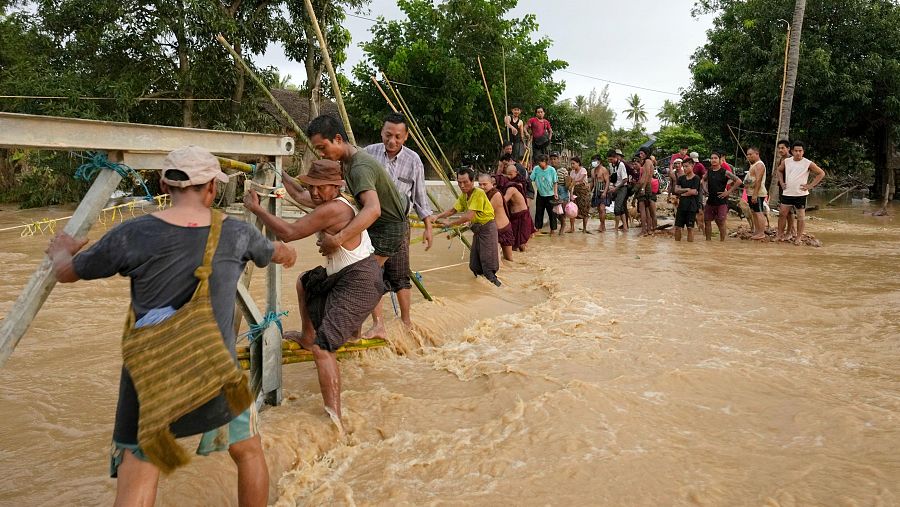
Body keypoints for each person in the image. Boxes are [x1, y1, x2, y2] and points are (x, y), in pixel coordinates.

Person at [47, 146, 297, 507]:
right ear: (212, 189)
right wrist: (286, 253)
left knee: (140, 472)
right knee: (248, 452)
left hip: (151, 378)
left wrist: (62, 248)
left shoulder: (132, 234)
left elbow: (66, 272)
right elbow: (275, 252)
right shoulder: (237, 233)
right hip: (217, 373)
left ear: (165, 185)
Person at [244, 159, 383, 421]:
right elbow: (298, 193)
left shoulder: (333, 209)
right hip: (344, 276)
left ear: (336, 186)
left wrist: (256, 208)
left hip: (359, 281)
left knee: (323, 349)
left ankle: (335, 418)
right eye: (313, 187)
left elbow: (289, 233)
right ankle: (309, 336)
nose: (315, 193)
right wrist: (277, 170)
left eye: (321, 188)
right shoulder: (325, 201)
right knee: (306, 281)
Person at [287, 115, 408, 342]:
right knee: (365, 275)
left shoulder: (359, 166)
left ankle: (374, 326)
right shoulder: (346, 162)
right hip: (376, 224)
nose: (321, 154)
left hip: (387, 227)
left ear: (338, 139)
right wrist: (282, 177)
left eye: (323, 148)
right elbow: (308, 198)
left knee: (366, 277)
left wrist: (339, 238)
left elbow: (373, 210)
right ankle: (357, 330)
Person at [362, 113, 432, 337]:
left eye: (398, 137)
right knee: (372, 273)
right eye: (388, 135)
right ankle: (378, 324)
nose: (392, 141)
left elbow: (421, 198)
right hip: (371, 224)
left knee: (401, 275)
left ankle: (406, 321)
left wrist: (428, 227)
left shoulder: (413, 160)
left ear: (406, 136)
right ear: (382, 133)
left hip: (399, 226)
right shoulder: (368, 154)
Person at [435, 168, 501, 286]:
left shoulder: (478, 193)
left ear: (472, 181)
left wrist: (449, 224)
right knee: (475, 266)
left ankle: (498, 288)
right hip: (478, 230)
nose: (462, 185)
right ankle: (480, 293)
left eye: (465, 182)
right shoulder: (464, 195)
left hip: (487, 229)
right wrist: (435, 217)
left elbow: (468, 216)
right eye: (459, 182)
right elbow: (453, 210)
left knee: (488, 267)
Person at [775, 141, 826, 243]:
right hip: (787, 193)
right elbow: (779, 170)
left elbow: (821, 173)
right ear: (792, 151)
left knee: (801, 216)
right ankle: (779, 235)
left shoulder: (808, 163)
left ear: (803, 152)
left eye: (800, 151)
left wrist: (810, 186)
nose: (798, 153)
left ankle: (798, 237)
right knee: (782, 214)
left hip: (800, 194)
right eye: (796, 151)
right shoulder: (787, 161)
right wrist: (781, 182)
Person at [701, 151, 743, 241]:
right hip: (710, 200)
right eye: (711, 158)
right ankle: (708, 241)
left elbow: (739, 181)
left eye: (715, 158)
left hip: (721, 200)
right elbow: (703, 180)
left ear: (720, 160)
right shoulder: (709, 171)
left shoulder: (725, 172)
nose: (713, 160)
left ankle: (722, 242)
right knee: (707, 221)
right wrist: (705, 189)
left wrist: (728, 192)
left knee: (721, 221)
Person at [500, 161, 535, 251]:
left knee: (521, 244)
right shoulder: (510, 184)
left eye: (511, 174)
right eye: (507, 175)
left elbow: (502, 201)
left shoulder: (514, 186)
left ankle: (524, 261)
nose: (509, 177)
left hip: (521, 215)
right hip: (514, 216)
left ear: (516, 173)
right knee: (513, 243)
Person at [478, 173, 513, 261]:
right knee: (496, 260)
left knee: (509, 259)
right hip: (493, 230)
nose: (482, 187)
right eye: (480, 184)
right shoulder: (482, 194)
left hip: (503, 229)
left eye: (484, 184)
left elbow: (485, 213)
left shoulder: (496, 194)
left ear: (492, 184)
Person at [672, 157, 702, 242]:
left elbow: (694, 191)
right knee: (677, 227)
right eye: (683, 166)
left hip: (692, 206)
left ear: (692, 166)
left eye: (686, 166)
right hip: (681, 205)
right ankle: (677, 246)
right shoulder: (681, 178)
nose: (684, 168)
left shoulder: (696, 178)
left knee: (690, 228)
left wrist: (683, 192)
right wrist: (687, 189)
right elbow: (676, 190)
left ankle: (690, 248)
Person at [743, 147, 768, 240]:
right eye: (748, 154)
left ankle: (761, 232)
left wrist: (755, 194)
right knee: (753, 212)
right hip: (750, 192)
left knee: (759, 212)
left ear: (757, 154)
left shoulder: (759, 165)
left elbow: (758, 180)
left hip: (758, 193)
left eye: (751, 154)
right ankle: (757, 231)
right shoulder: (753, 165)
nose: (748, 156)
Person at [531, 154, 558, 233]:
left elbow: (555, 182)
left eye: (541, 162)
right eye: (539, 162)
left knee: (552, 213)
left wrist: (555, 193)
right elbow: (531, 179)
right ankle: (537, 228)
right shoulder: (536, 169)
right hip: (540, 194)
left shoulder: (552, 170)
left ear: (546, 162)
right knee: (539, 212)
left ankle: (552, 230)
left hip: (550, 195)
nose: (540, 164)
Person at [775, 139, 795, 237]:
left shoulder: (792, 159)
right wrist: (781, 183)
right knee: (784, 211)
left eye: (782, 148)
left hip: (790, 189)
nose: (780, 150)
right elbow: (779, 172)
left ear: (788, 148)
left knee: (789, 211)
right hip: (782, 187)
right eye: (779, 148)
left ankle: (789, 231)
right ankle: (786, 231)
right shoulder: (780, 160)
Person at [607, 148, 629, 233]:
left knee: (617, 208)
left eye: (611, 159)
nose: (610, 161)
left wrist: (616, 188)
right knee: (621, 208)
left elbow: (625, 179)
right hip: (615, 188)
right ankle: (625, 227)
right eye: (609, 160)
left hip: (622, 188)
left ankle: (616, 227)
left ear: (616, 157)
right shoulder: (612, 166)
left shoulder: (621, 165)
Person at [635, 147, 655, 236]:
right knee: (646, 209)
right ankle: (649, 229)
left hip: (645, 187)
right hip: (647, 186)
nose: (640, 155)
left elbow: (646, 175)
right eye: (640, 153)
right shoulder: (649, 162)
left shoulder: (647, 162)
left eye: (642, 153)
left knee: (643, 209)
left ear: (646, 154)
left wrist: (642, 188)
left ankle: (644, 230)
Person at [568, 156, 591, 233]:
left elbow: (581, 180)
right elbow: (571, 183)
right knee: (572, 209)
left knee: (584, 210)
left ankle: (584, 228)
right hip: (575, 191)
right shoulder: (572, 172)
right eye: (571, 164)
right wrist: (571, 194)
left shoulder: (583, 170)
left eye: (573, 163)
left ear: (578, 163)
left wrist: (573, 183)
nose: (572, 165)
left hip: (584, 192)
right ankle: (572, 228)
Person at [590, 154, 610, 232]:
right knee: (599, 209)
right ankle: (601, 224)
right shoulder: (592, 170)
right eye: (593, 161)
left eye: (595, 161)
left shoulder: (604, 170)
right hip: (596, 191)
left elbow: (607, 181)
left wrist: (605, 192)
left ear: (599, 161)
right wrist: (589, 190)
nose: (594, 162)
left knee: (602, 208)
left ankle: (603, 225)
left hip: (603, 190)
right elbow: (592, 181)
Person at [551, 152, 569, 236]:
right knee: (555, 212)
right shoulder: (549, 169)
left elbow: (567, 182)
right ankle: (561, 225)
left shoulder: (563, 170)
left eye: (555, 159)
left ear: (558, 159)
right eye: (551, 159)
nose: (553, 161)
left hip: (562, 190)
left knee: (561, 211)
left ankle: (563, 225)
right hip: (553, 190)